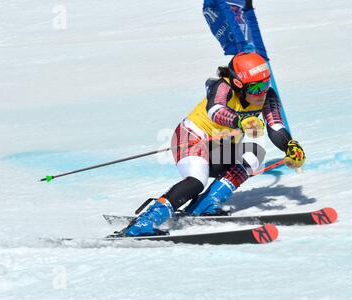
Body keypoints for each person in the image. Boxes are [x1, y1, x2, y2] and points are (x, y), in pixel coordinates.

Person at [123, 52, 305, 237]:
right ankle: (143, 223)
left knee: (254, 155)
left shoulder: (267, 96)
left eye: (266, 85)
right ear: (238, 84)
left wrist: (290, 145)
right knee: (197, 181)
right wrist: (240, 121)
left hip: (220, 149)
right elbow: (215, 111)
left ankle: (204, 205)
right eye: (256, 87)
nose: (262, 92)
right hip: (191, 139)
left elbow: (275, 125)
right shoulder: (223, 87)